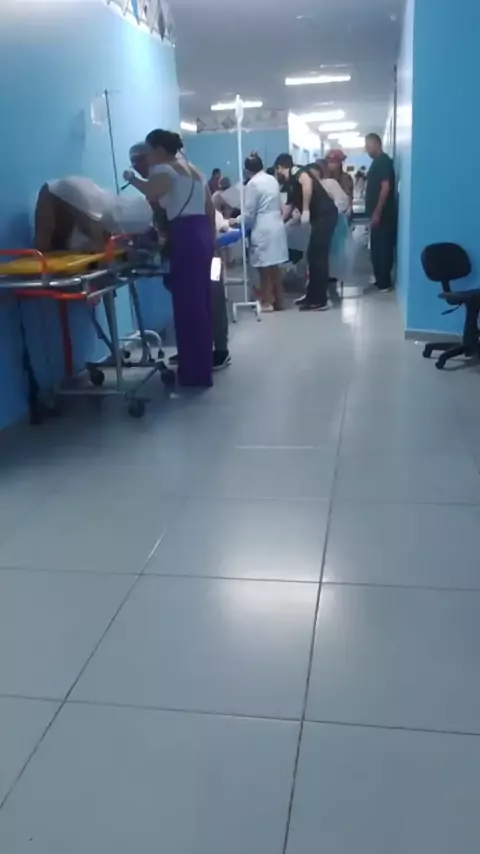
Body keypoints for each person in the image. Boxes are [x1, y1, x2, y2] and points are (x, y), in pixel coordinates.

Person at [124, 129, 216, 387]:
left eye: (148, 152)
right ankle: (202, 367)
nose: (147, 158)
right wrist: (212, 242)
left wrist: (131, 178)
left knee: (187, 304)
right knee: (201, 303)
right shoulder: (195, 170)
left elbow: (151, 193)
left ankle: (192, 371)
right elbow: (209, 208)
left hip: (185, 235)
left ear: (159, 150)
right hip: (202, 234)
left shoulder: (164, 170)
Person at [275, 153, 338, 311]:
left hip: (325, 214)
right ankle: (311, 296)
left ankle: (320, 300)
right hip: (319, 218)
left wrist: (305, 210)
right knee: (312, 256)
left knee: (318, 257)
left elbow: (307, 183)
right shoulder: (290, 184)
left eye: (277, 171)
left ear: (280, 168)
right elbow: (289, 207)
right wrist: (279, 224)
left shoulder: (296, 170)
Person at [34, 175, 153, 253]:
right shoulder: (94, 211)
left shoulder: (106, 209)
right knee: (44, 245)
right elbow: (98, 244)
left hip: (71, 197)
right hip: (59, 194)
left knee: (52, 245)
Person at [231, 153, 288, 312]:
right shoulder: (272, 180)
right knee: (275, 267)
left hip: (263, 227)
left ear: (247, 170)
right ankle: (279, 301)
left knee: (264, 268)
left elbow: (250, 213)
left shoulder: (253, 184)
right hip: (277, 225)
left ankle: (267, 302)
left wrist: (236, 221)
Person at [364, 132, 397, 292]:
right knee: (376, 249)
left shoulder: (384, 162)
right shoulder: (377, 163)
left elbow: (385, 188)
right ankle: (379, 279)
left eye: (369, 146)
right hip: (377, 215)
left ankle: (384, 282)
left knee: (383, 248)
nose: (367, 150)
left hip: (384, 215)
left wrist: (377, 212)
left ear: (377, 144)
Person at [324, 150, 354, 215]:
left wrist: (348, 209)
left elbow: (348, 196)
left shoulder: (345, 178)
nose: (330, 165)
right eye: (329, 162)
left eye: (333, 162)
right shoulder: (324, 177)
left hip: (342, 212)